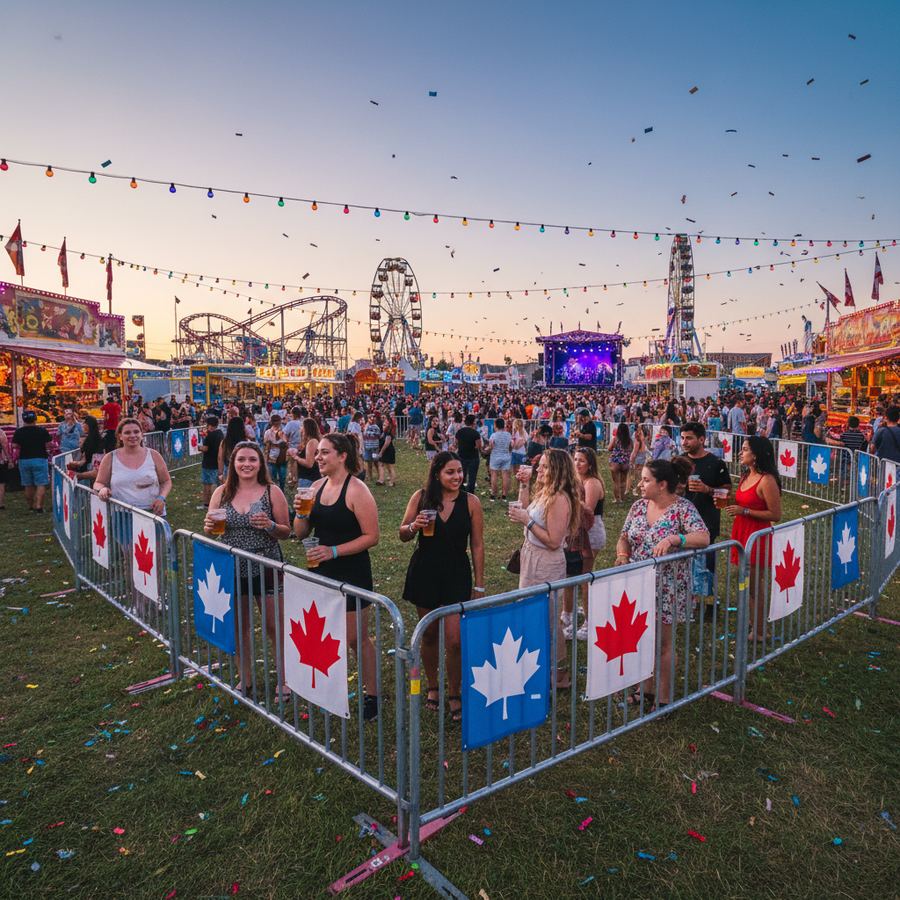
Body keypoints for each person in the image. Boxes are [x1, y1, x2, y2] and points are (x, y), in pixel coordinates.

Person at [292, 434, 381, 721]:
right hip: (320, 571)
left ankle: (373, 694)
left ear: (342, 456)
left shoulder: (357, 490)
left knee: (355, 638)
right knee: (326, 634)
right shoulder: (315, 487)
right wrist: (301, 514)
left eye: (324, 453)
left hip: (352, 571)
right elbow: (300, 533)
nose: (318, 457)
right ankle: (330, 691)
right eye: (317, 453)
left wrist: (334, 551)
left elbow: (372, 536)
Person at [616, 458, 710, 708]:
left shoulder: (683, 509)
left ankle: (664, 697)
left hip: (667, 587)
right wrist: (622, 555)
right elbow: (624, 537)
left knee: (663, 643)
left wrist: (675, 538)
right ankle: (645, 688)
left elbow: (703, 537)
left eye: (646, 480)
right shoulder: (638, 507)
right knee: (642, 638)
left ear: (663, 484)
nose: (641, 484)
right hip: (637, 583)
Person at [399, 452, 485, 721]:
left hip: (456, 574)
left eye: (460, 471)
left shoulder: (471, 502)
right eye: (450, 472)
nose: (457, 476)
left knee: (455, 641)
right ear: (437, 474)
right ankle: (433, 686)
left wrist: (479, 585)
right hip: (425, 572)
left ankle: (454, 692)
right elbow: (402, 534)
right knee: (428, 635)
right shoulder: (421, 497)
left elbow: (478, 545)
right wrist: (414, 525)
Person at [203, 441, 291, 697]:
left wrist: (271, 526)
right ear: (233, 463)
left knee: (274, 625)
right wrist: (209, 527)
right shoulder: (222, 492)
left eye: (252, 459)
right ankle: (246, 678)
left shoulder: (272, 492)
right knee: (240, 626)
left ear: (260, 463)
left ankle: (285, 679)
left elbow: (286, 531)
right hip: (232, 567)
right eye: (241, 459)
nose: (247, 464)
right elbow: (209, 526)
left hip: (267, 564)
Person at [508, 449, 581, 689]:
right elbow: (528, 508)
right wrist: (523, 485)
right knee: (529, 612)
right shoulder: (546, 493)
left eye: (544, 466)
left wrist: (525, 520)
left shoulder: (560, 498)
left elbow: (552, 540)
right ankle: (535, 663)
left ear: (557, 470)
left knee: (548, 617)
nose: (539, 469)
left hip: (546, 562)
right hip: (531, 556)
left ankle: (559, 673)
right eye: (539, 465)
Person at [727, 436, 782, 640]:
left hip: (756, 536)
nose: (741, 453)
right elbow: (742, 501)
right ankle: (752, 622)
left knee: (754, 585)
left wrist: (745, 511)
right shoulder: (745, 475)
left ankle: (759, 631)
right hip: (741, 532)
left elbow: (775, 514)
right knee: (746, 582)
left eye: (745, 449)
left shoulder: (766, 480)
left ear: (756, 455)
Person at [680, 422, 732, 599]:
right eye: (682, 438)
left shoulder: (716, 463)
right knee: (683, 561)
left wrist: (707, 489)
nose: (684, 442)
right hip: (682, 521)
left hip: (707, 520)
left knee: (707, 562)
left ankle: (708, 600)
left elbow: (726, 492)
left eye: (689, 438)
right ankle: (687, 598)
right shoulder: (680, 461)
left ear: (701, 439)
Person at [562, 447, 606, 640]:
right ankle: (568, 616)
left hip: (590, 533)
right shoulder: (576, 480)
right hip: (573, 532)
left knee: (583, 577)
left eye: (581, 460)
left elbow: (587, 510)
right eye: (576, 459)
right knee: (568, 575)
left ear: (590, 464)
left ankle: (589, 622)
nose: (577, 463)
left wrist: (568, 497)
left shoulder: (592, 483)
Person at [12, 411, 52, 512]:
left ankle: (30, 506)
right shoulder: (42, 430)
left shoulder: (19, 432)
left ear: (23, 419)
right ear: (35, 419)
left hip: (24, 459)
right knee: (41, 484)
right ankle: (39, 506)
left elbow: (14, 445)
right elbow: (48, 444)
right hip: (40, 458)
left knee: (28, 484)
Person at [67, 414, 104, 483]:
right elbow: (85, 459)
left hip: (92, 476)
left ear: (88, 425)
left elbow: (96, 467)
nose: (82, 425)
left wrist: (78, 475)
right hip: (89, 473)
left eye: (84, 423)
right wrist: (75, 464)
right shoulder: (90, 439)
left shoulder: (96, 441)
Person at [198, 416, 224, 507]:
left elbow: (205, 448)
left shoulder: (210, 436)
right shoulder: (221, 433)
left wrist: (198, 447)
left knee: (207, 485)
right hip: (218, 463)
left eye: (207, 425)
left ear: (210, 425)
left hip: (208, 463)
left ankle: (207, 503)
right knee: (218, 485)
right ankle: (219, 502)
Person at [453, 414, 482, 494]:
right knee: (472, 477)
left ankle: (460, 490)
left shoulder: (460, 431)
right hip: (473, 457)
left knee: (461, 475)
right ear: (473, 422)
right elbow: (478, 446)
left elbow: (455, 443)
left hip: (461, 456)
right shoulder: (475, 433)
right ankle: (470, 493)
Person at [488, 417, 513, 501]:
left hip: (495, 456)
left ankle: (493, 495)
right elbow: (510, 447)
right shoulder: (508, 434)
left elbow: (491, 446)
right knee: (505, 476)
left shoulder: (493, 435)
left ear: (495, 425)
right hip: (506, 456)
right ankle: (504, 495)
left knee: (494, 475)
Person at [291, 418, 321, 487]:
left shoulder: (312, 442)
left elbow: (309, 464)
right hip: (307, 478)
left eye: (302, 426)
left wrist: (296, 457)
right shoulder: (310, 441)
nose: (300, 428)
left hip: (309, 479)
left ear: (306, 428)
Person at [608, 422, 632, 504]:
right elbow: (631, 449)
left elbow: (609, 448)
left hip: (615, 462)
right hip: (625, 462)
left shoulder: (615, 439)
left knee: (616, 482)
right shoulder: (629, 440)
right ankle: (622, 498)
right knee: (623, 481)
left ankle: (616, 499)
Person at [263, 414, 288, 491]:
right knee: (274, 479)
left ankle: (281, 492)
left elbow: (286, 443)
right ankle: (275, 492)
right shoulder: (268, 432)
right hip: (273, 458)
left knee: (282, 479)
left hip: (281, 457)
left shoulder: (284, 431)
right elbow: (266, 446)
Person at [283, 406, 303, 486]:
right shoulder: (303, 422)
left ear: (293, 414)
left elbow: (284, 433)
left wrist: (286, 441)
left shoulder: (291, 423)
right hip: (302, 446)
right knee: (300, 463)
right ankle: (298, 478)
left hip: (292, 446)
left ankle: (293, 479)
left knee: (292, 464)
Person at [362, 413, 382, 482]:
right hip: (367, 447)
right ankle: (370, 476)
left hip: (374, 448)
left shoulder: (376, 427)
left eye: (373, 418)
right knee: (368, 462)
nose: (372, 419)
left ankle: (379, 475)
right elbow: (364, 436)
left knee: (376, 461)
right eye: (370, 418)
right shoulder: (365, 427)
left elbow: (378, 436)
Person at [377, 416, 396, 486]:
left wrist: (381, 452)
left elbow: (386, 444)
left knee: (390, 466)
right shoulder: (383, 433)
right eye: (383, 424)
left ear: (389, 425)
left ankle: (392, 481)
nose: (383, 426)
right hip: (384, 451)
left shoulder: (388, 433)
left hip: (388, 451)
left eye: (385, 424)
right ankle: (381, 480)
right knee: (381, 464)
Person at [0, 428, 9, 510]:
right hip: (1, 462)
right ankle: (1, 504)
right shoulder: (1, 432)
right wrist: (9, 459)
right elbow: (4, 446)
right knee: (1, 484)